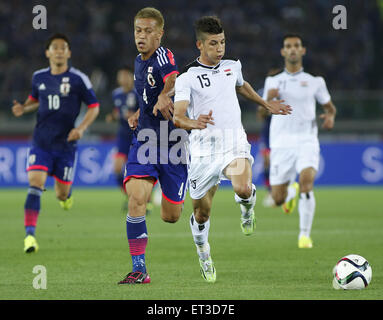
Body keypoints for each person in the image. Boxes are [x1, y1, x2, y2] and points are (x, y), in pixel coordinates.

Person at [173, 16, 291, 283]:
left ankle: (247, 208)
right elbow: (178, 116)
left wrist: (265, 103)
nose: (220, 48)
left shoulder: (232, 66)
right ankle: (204, 254)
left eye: (223, 42)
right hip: (202, 152)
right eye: (214, 43)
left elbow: (241, 85)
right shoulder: (187, 77)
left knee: (242, 188)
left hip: (232, 142)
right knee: (202, 213)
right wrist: (195, 122)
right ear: (200, 45)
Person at [118, 7, 188, 285]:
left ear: (160, 34)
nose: (142, 36)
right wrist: (139, 112)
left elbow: (173, 78)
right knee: (136, 198)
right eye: (138, 30)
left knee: (171, 216)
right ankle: (139, 269)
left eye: (148, 31)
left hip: (173, 144)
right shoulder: (137, 61)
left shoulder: (163, 55)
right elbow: (145, 95)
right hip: (146, 140)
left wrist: (163, 95)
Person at [11, 33, 100, 253]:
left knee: (61, 193)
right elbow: (35, 100)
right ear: (47, 52)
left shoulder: (79, 79)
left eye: (63, 48)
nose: (59, 51)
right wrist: (24, 107)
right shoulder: (38, 77)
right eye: (55, 47)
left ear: (69, 53)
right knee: (35, 184)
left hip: (65, 145)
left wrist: (80, 129)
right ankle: (30, 236)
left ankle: (65, 197)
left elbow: (94, 106)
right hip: (41, 142)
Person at [263, 34, 336, 248]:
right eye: (288, 46)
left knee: (307, 181)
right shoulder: (273, 82)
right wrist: (269, 100)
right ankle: (290, 193)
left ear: (303, 51)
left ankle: (304, 235)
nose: (292, 49)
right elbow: (263, 110)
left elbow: (329, 107)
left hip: (307, 139)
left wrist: (330, 116)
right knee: (277, 199)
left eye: (296, 46)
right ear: (283, 52)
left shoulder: (315, 82)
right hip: (281, 142)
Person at [256, 68, 282, 208]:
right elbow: (260, 116)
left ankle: (284, 191)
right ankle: (269, 192)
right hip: (268, 134)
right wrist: (268, 105)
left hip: (283, 134)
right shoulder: (263, 93)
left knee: (280, 164)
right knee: (267, 162)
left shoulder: (285, 93)